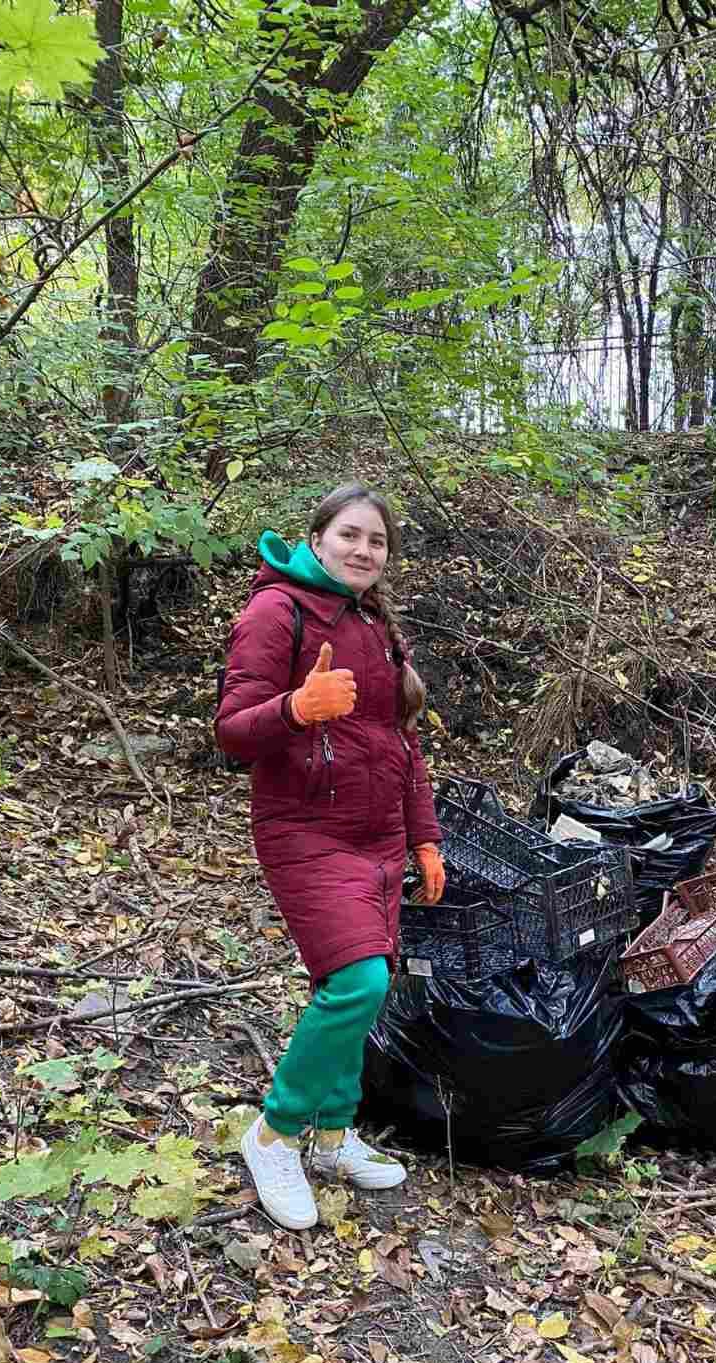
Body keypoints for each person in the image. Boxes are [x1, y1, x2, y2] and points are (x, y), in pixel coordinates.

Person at [215, 482, 445, 1229]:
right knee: (357, 981)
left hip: (379, 836)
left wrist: (425, 837)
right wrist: (294, 708)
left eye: (377, 541)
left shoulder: (375, 622)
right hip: (305, 830)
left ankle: (335, 1134)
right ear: (316, 539)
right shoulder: (276, 611)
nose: (363, 550)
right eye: (350, 534)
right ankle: (275, 1134)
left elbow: (402, 741)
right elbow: (232, 731)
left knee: (362, 988)